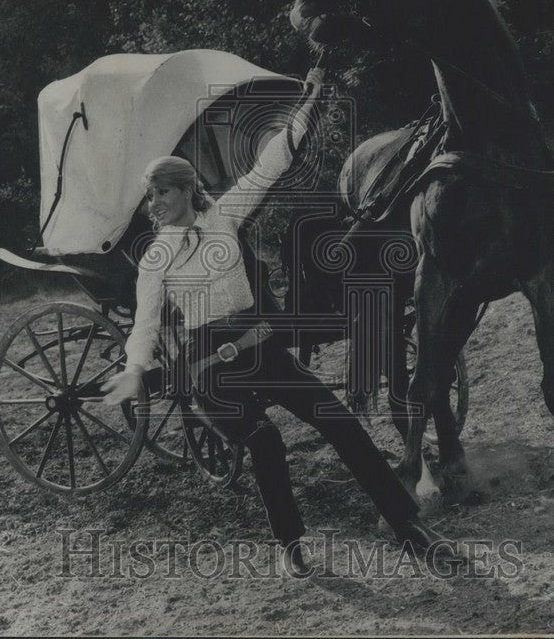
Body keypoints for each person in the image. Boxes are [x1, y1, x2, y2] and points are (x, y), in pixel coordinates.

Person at [102, 67, 448, 578]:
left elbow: (271, 163)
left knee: (340, 422)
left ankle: (409, 527)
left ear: (185, 190)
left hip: (257, 346)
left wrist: (307, 104)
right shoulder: (155, 259)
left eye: (159, 194)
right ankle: (290, 544)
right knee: (266, 441)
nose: (152, 206)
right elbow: (145, 326)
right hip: (209, 369)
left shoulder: (224, 215)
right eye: (149, 197)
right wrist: (135, 368)